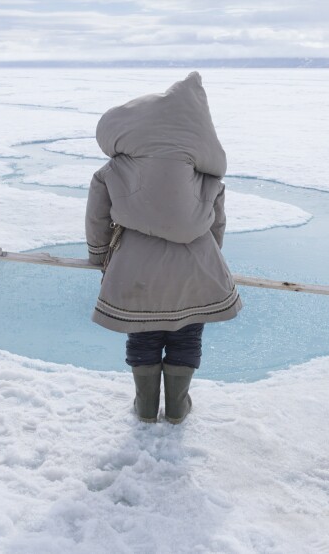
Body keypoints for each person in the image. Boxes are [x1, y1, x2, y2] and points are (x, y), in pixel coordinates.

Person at [85, 71, 242, 424]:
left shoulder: (113, 169)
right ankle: (176, 408)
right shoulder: (207, 175)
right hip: (197, 268)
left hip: (135, 267)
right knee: (186, 334)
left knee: (143, 333)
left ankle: (144, 406)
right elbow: (216, 225)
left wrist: (100, 258)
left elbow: (97, 219)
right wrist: (208, 262)